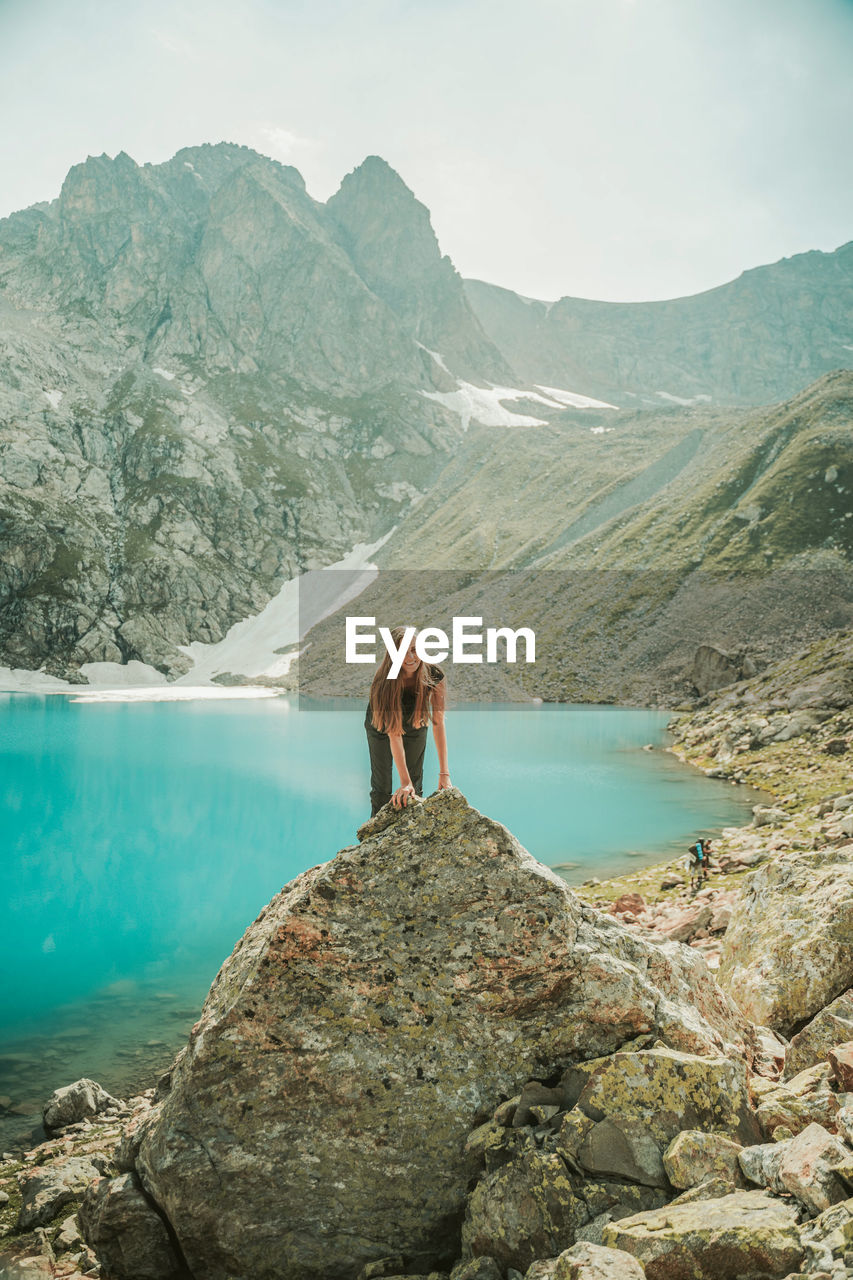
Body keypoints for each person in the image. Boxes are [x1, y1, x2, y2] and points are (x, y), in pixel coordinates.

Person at [364, 625, 451, 816]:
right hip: (381, 725)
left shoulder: (434, 674)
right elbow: (394, 734)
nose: (410, 657)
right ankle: (375, 839)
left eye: (414, 649)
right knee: (382, 788)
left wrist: (444, 774)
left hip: (414, 720)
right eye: (402, 651)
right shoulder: (384, 681)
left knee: (414, 787)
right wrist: (404, 782)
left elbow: (438, 722)